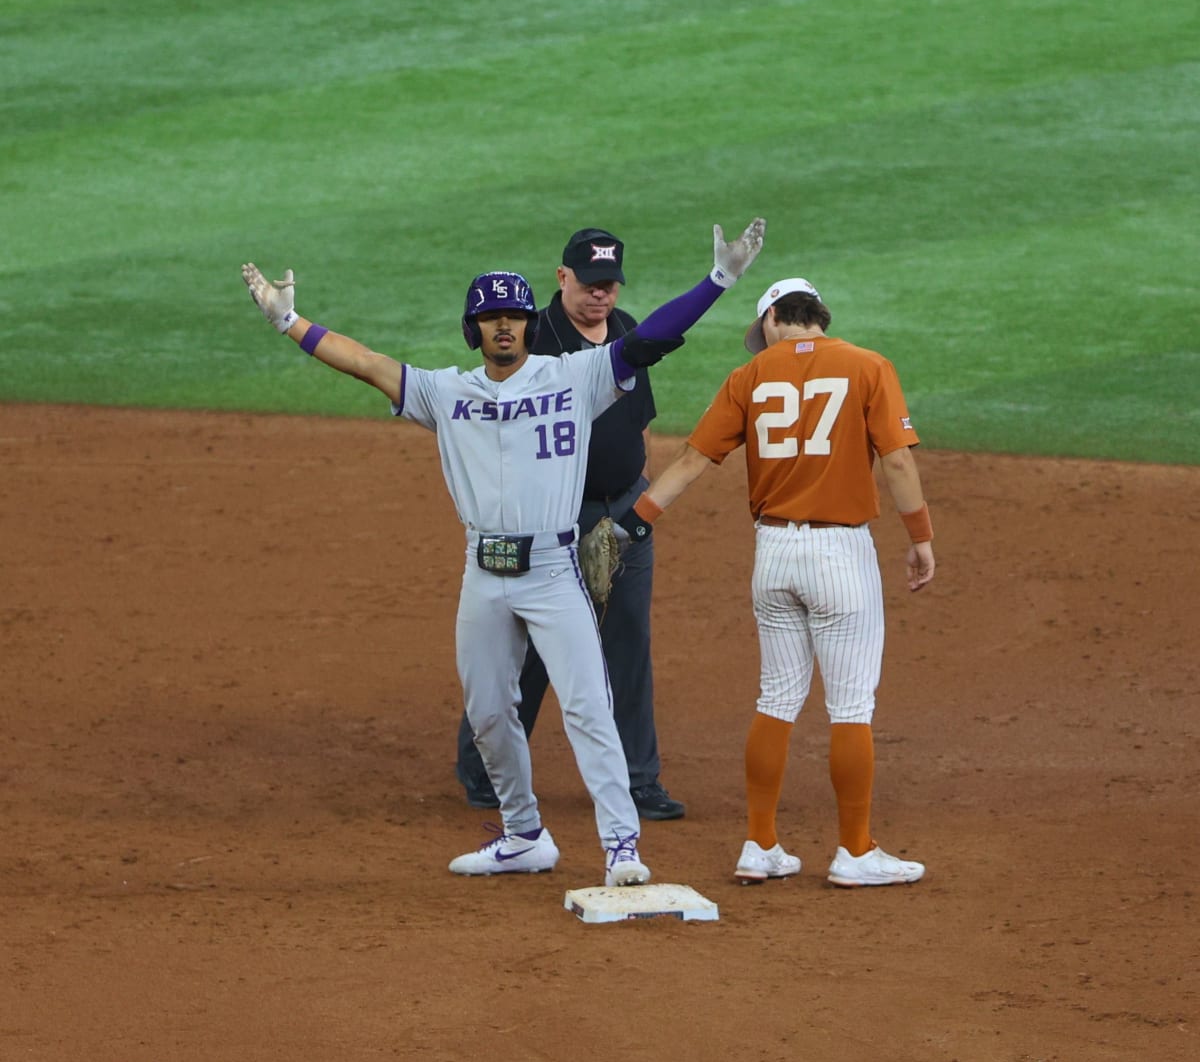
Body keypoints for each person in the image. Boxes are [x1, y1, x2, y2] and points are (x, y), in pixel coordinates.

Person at [239, 216, 764, 886]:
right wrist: (290, 323)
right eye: (492, 319)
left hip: (552, 570)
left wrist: (719, 280)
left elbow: (652, 340)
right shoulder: (446, 392)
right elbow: (367, 363)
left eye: (515, 316)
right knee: (489, 712)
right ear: (475, 330)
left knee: (587, 707)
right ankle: (522, 835)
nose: (506, 327)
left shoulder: (574, 377)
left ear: (527, 323)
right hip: (483, 575)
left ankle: (622, 846)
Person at [613, 275, 933, 887]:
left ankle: (760, 845)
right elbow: (896, 459)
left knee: (776, 699)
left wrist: (633, 525)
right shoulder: (868, 366)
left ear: (772, 321)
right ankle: (856, 853)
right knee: (851, 707)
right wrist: (920, 538)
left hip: (773, 554)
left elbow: (692, 462)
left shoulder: (749, 378)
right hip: (841, 554)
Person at [453, 227, 685, 822]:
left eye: (609, 285)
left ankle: (640, 780)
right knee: (528, 643)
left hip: (623, 508)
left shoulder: (629, 329)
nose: (600, 296)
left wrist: (636, 494)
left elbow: (639, 421)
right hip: (555, 518)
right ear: (563, 279)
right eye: (589, 284)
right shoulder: (538, 337)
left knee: (628, 641)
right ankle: (484, 766)